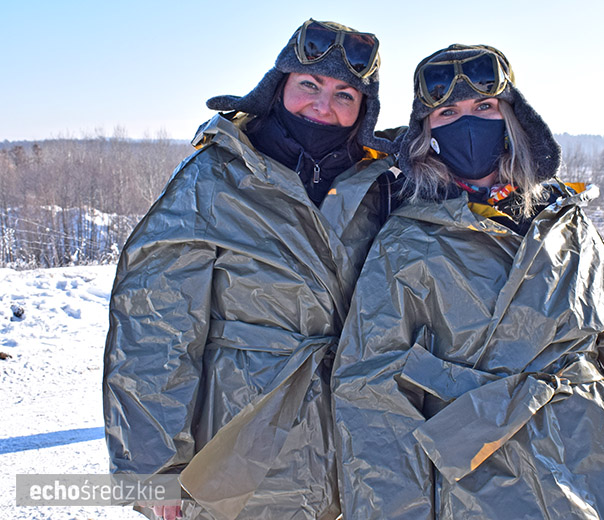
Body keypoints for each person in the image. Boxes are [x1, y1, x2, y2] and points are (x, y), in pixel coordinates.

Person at [332, 43, 604, 519]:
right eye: (448, 111)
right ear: (426, 131)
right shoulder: (405, 241)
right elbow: (370, 392)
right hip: (482, 483)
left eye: (485, 106)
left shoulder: (564, 220)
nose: (469, 123)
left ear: (512, 117)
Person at [103, 19, 399, 520]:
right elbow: (155, 325)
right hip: (238, 451)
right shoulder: (215, 178)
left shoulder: (379, 189)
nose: (323, 106)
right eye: (309, 85)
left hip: (353, 457)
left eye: (344, 94)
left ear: (363, 111)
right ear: (277, 86)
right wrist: (154, 471)